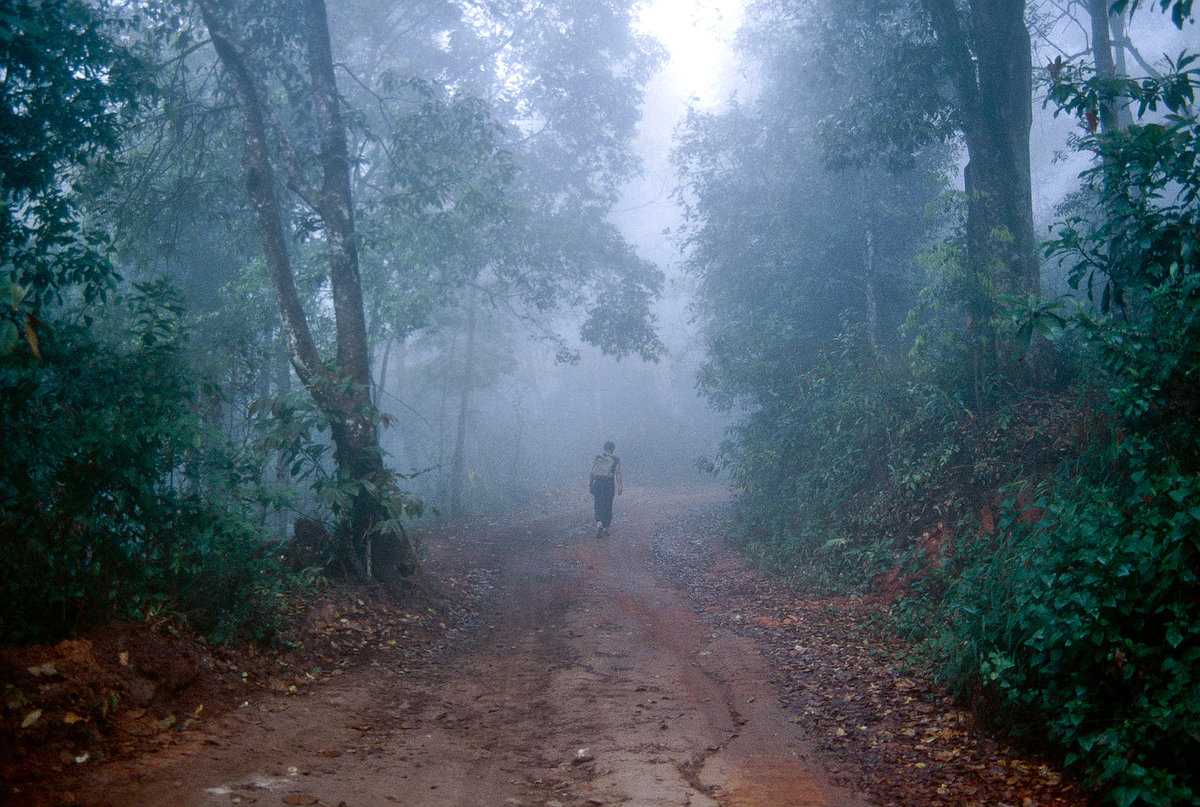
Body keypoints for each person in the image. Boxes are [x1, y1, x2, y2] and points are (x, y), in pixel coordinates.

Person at [588, 441, 623, 538]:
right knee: (608, 504)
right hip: (609, 484)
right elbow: (618, 473)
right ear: (613, 449)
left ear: (604, 448)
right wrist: (620, 486)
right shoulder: (616, 459)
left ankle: (599, 522)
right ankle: (605, 527)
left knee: (598, 503)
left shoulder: (598, 458)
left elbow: (592, 472)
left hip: (598, 483)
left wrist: (590, 485)